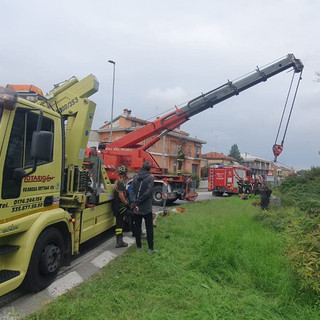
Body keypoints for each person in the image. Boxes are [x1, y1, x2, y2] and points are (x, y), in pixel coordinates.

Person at [130, 161, 158, 253]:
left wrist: (135, 202)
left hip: (136, 207)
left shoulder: (135, 178)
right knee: (149, 228)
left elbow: (132, 191)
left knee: (137, 227)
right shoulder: (150, 178)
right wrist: (139, 201)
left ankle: (139, 247)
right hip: (147, 207)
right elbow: (148, 192)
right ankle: (151, 248)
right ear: (149, 169)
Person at [112, 165, 132, 248]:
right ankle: (120, 241)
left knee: (119, 223)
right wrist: (127, 203)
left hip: (117, 206)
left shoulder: (118, 181)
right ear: (124, 174)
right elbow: (121, 195)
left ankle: (119, 241)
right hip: (120, 206)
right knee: (132, 214)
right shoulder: (121, 183)